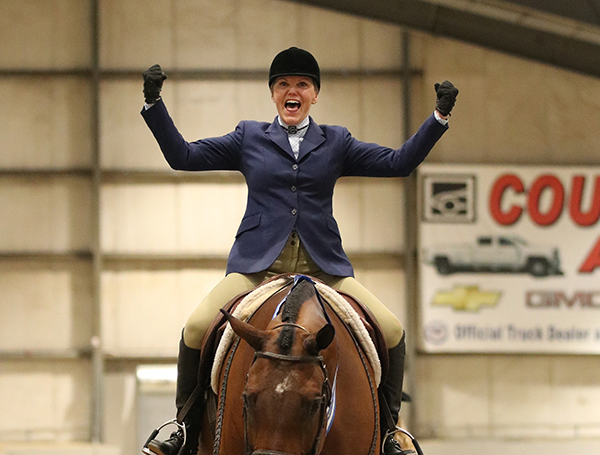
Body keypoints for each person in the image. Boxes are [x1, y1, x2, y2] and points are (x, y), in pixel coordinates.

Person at [140, 47, 458, 455]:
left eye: (302, 85)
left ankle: (391, 433)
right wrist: (154, 104)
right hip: (258, 266)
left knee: (392, 330)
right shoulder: (248, 137)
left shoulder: (336, 141)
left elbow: (398, 163)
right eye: (284, 85)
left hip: (323, 267)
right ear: (274, 94)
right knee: (196, 327)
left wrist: (438, 119)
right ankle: (182, 428)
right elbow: (182, 156)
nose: (293, 91)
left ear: (314, 94)